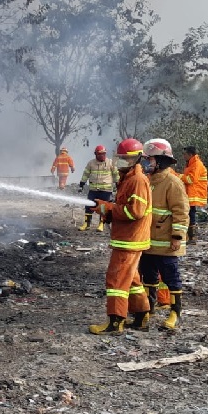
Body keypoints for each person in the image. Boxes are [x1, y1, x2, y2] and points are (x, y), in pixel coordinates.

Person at [88, 138, 152, 335]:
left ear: (138, 158)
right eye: (121, 157)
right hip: (129, 239)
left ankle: (115, 322)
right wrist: (107, 211)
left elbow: (136, 212)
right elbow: (125, 208)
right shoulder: (129, 177)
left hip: (129, 240)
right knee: (132, 280)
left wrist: (108, 208)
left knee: (116, 281)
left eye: (127, 158)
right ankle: (141, 317)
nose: (123, 161)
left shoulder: (137, 180)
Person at [128, 138, 190, 332]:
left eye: (150, 159)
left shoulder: (173, 182)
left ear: (161, 161)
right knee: (148, 277)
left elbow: (181, 212)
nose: (147, 163)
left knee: (171, 278)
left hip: (166, 243)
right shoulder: (148, 181)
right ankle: (148, 310)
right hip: (148, 241)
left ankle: (175, 312)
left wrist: (177, 237)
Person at [77, 145, 119, 231]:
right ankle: (86, 224)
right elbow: (86, 174)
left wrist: (118, 184)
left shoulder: (110, 163)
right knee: (88, 206)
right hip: (93, 190)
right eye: (100, 154)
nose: (102, 156)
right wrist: (82, 184)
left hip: (106, 191)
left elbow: (116, 174)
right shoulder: (91, 163)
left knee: (103, 208)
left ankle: (101, 224)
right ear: (95, 154)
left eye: (103, 154)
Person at [178, 146, 208, 244]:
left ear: (190, 155)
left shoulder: (196, 164)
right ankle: (189, 237)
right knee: (189, 214)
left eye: (185, 154)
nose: (183, 156)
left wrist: (179, 176)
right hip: (190, 193)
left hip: (194, 194)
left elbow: (191, 180)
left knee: (191, 215)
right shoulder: (191, 164)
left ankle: (192, 238)